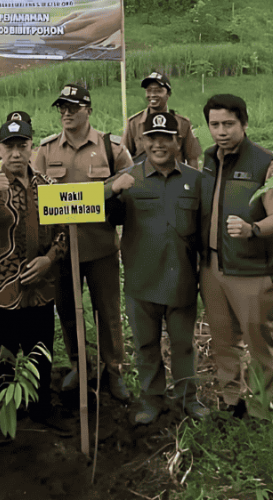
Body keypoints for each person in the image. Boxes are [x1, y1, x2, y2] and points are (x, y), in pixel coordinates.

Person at [0, 119, 68, 428]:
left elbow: (64, 234)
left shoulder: (47, 186)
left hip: (40, 289)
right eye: (9, 147)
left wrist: (49, 260)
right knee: (0, 359)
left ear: (32, 148)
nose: (16, 154)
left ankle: (40, 409)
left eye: (22, 146)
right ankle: (3, 417)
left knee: (41, 354)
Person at [107, 112, 210, 424]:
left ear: (178, 142)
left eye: (167, 138)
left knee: (183, 346)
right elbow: (108, 219)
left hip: (181, 279)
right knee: (146, 346)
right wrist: (113, 192)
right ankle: (152, 400)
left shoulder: (196, 181)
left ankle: (187, 399)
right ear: (142, 141)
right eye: (152, 138)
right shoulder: (128, 178)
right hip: (141, 281)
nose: (159, 144)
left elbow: (205, 234)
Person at [34, 83, 133, 401]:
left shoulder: (111, 148)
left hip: (101, 247)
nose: (66, 112)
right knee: (68, 311)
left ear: (88, 109)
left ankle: (113, 369)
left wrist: (113, 191)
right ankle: (80, 365)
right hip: (62, 251)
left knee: (108, 313)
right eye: (61, 107)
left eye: (72, 107)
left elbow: (131, 189)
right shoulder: (46, 150)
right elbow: (35, 194)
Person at [199, 94, 273, 418]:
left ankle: (261, 408)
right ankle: (230, 401)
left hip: (251, 269)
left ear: (244, 123)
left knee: (257, 341)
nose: (221, 131)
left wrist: (252, 228)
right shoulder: (210, 158)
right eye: (215, 124)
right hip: (213, 267)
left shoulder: (266, 163)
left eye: (228, 124)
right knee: (223, 340)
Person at [122, 71, 202, 168]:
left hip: (174, 179)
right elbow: (124, 157)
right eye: (149, 91)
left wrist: (193, 181)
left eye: (158, 91)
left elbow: (192, 158)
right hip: (143, 180)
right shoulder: (134, 123)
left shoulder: (182, 123)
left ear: (168, 94)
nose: (152, 95)